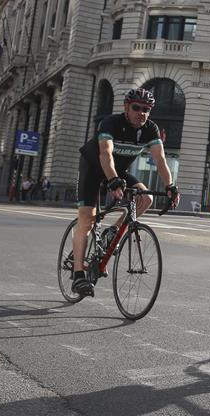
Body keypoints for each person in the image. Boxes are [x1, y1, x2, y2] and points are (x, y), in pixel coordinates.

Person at [71, 87, 180, 298]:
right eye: (137, 108)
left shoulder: (150, 129)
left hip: (119, 172)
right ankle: (78, 276)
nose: (142, 113)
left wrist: (171, 186)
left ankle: (113, 230)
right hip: (94, 168)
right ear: (126, 108)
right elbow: (105, 153)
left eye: (146, 109)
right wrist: (111, 181)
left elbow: (160, 160)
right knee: (87, 220)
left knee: (146, 198)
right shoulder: (111, 123)